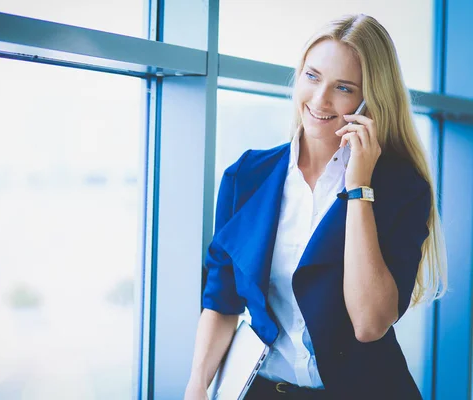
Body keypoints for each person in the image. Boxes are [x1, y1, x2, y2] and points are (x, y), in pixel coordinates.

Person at [184, 14, 447, 400]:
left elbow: (370, 323)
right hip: (263, 391)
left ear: (370, 100)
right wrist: (196, 384)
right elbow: (222, 301)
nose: (320, 100)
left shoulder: (401, 189)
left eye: (343, 87)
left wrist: (359, 188)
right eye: (312, 76)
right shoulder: (247, 177)